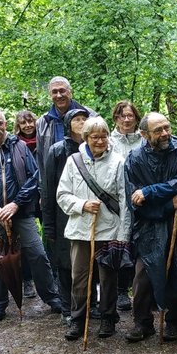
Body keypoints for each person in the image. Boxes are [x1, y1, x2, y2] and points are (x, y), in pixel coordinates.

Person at [0, 109, 63, 322]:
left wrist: (16, 204)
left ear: (6, 124)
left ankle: (51, 297)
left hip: (21, 213)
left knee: (38, 255)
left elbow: (34, 177)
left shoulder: (19, 147)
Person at [124, 112, 177, 342]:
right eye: (158, 130)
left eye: (167, 127)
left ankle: (174, 322)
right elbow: (133, 199)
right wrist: (166, 203)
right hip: (148, 225)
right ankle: (142, 323)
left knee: (176, 268)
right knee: (143, 275)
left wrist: (150, 192)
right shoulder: (134, 159)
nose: (165, 133)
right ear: (144, 134)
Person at [57, 117, 131, 339]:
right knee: (80, 277)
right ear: (86, 138)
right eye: (95, 137)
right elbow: (62, 194)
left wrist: (123, 234)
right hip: (81, 231)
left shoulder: (118, 162)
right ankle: (78, 319)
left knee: (108, 278)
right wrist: (82, 205)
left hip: (109, 230)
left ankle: (108, 318)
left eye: (104, 136)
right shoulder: (73, 162)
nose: (100, 141)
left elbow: (125, 200)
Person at [42, 108, 91, 321]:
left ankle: (90, 305)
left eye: (84, 119)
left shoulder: (95, 148)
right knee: (64, 264)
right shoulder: (57, 150)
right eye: (77, 120)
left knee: (89, 263)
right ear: (68, 124)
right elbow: (48, 188)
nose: (80, 123)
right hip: (63, 214)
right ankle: (67, 307)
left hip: (88, 213)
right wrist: (49, 224)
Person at [109, 101, 143, 311]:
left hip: (140, 197)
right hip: (114, 200)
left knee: (138, 242)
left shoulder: (144, 140)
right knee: (120, 242)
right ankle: (120, 290)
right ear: (116, 118)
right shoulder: (110, 141)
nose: (127, 119)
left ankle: (138, 289)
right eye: (123, 116)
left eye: (131, 116)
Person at [35, 76, 91, 175]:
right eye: (54, 92)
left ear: (70, 92)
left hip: (86, 173)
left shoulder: (89, 116)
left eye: (62, 91)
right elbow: (41, 159)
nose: (59, 95)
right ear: (50, 95)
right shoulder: (43, 122)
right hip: (56, 176)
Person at [13, 109, 40, 298]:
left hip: (43, 193)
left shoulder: (44, 140)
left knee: (47, 237)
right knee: (23, 242)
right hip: (23, 196)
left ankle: (50, 277)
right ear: (19, 126)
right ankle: (27, 280)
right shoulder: (15, 144)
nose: (28, 126)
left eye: (31, 122)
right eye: (24, 123)